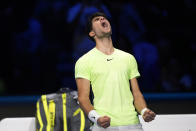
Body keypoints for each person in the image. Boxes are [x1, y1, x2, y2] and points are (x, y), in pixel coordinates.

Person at [75, 12, 156, 131]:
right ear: (92, 33)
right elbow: (83, 98)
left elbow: (136, 94)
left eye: (103, 17)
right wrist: (97, 118)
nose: (102, 18)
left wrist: (144, 111)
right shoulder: (84, 61)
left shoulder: (128, 58)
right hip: (103, 126)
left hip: (133, 124)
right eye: (97, 19)